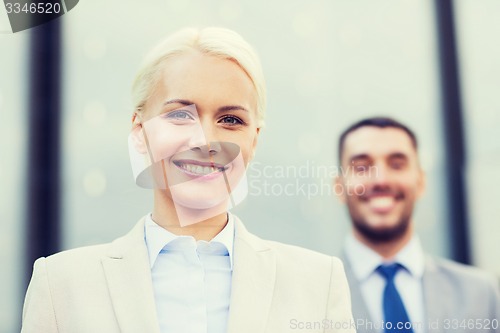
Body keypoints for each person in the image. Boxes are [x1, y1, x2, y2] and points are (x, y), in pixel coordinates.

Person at [21, 27, 355, 333]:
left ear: (254, 141)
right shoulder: (61, 285)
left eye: (230, 119)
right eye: (180, 115)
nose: (204, 140)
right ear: (139, 132)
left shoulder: (318, 284)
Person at [334, 117, 500, 333]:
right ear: (339, 187)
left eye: (397, 165)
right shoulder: (311, 294)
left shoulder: (480, 293)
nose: (381, 180)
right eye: (362, 167)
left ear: (421, 181)